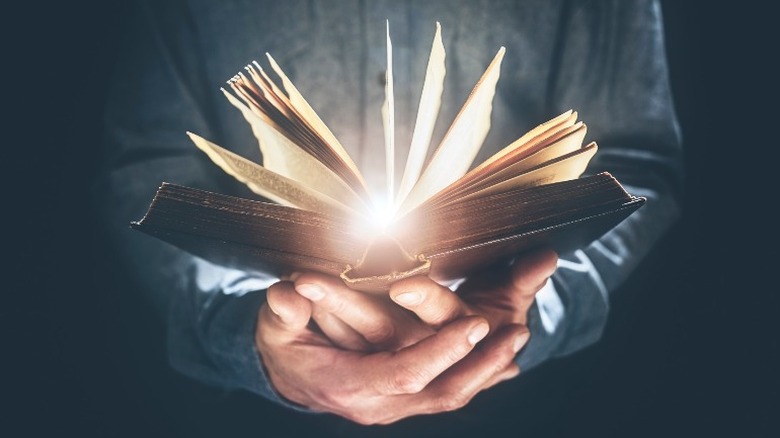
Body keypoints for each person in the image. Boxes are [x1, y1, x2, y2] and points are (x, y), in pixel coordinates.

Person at [95, 0, 682, 428]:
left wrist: (532, 314)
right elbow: (146, 171)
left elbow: (633, 160)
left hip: (544, 410)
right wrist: (253, 335)